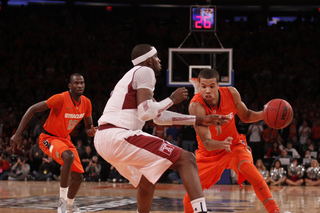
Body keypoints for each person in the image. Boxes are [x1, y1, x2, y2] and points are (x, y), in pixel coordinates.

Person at [94, 44, 229, 213]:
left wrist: (199, 119)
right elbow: (146, 113)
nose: (159, 60)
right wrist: (172, 99)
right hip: (118, 135)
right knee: (187, 159)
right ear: (149, 60)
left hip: (105, 138)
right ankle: (201, 211)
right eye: (156, 56)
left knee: (148, 180)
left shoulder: (133, 76)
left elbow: (158, 117)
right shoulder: (145, 71)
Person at [183, 69, 283, 213]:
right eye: (203, 87)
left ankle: (274, 211)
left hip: (233, 145)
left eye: (211, 86)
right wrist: (221, 144)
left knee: (250, 169)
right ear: (200, 86)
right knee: (189, 198)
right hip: (208, 154)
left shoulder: (231, 93)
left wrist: (264, 114)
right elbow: (206, 142)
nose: (208, 90)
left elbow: (246, 115)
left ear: (218, 85)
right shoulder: (195, 106)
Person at [10, 73, 96, 213]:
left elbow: (88, 129)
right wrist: (18, 133)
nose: (80, 85)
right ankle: (61, 204)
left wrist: (92, 132)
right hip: (48, 138)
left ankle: (70, 206)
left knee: (78, 177)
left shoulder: (86, 103)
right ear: (70, 85)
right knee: (68, 156)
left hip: (65, 139)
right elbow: (33, 109)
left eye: (82, 83)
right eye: (76, 83)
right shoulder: (60, 98)